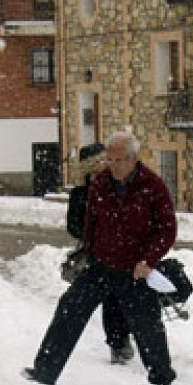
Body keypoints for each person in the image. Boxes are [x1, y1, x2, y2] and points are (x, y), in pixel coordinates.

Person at [23, 131, 179, 385]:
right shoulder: (101, 183)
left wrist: (149, 261)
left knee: (147, 327)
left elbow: (167, 230)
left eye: (119, 160)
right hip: (101, 266)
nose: (113, 165)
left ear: (133, 159)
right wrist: (89, 251)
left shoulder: (152, 186)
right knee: (69, 308)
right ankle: (45, 370)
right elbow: (90, 222)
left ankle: (163, 381)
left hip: (135, 270)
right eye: (110, 159)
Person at [65, 143, 134, 364]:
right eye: (97, 165)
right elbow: (73, 226)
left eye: (105, 163)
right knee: (110, 300)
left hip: (124, 252)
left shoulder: (121, 187)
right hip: (97, 255)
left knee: (127, 299)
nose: (102, 169)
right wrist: (94, 232)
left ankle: (126, 339)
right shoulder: (80, 194)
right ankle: (118, 344)